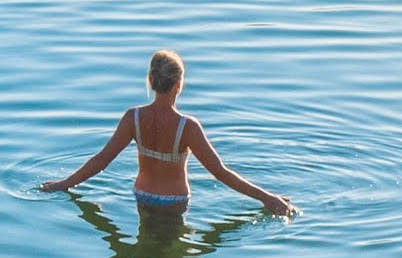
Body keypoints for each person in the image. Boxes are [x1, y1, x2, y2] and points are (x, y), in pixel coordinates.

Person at [49, 49, 292, 219]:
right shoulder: (187, 127)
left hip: (142, 196)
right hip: (175, 203)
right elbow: (220, 173)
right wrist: (266, 197)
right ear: (179, 84)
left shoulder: (132, 118)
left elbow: (101, 160)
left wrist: (64, 184)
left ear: (151, 80)